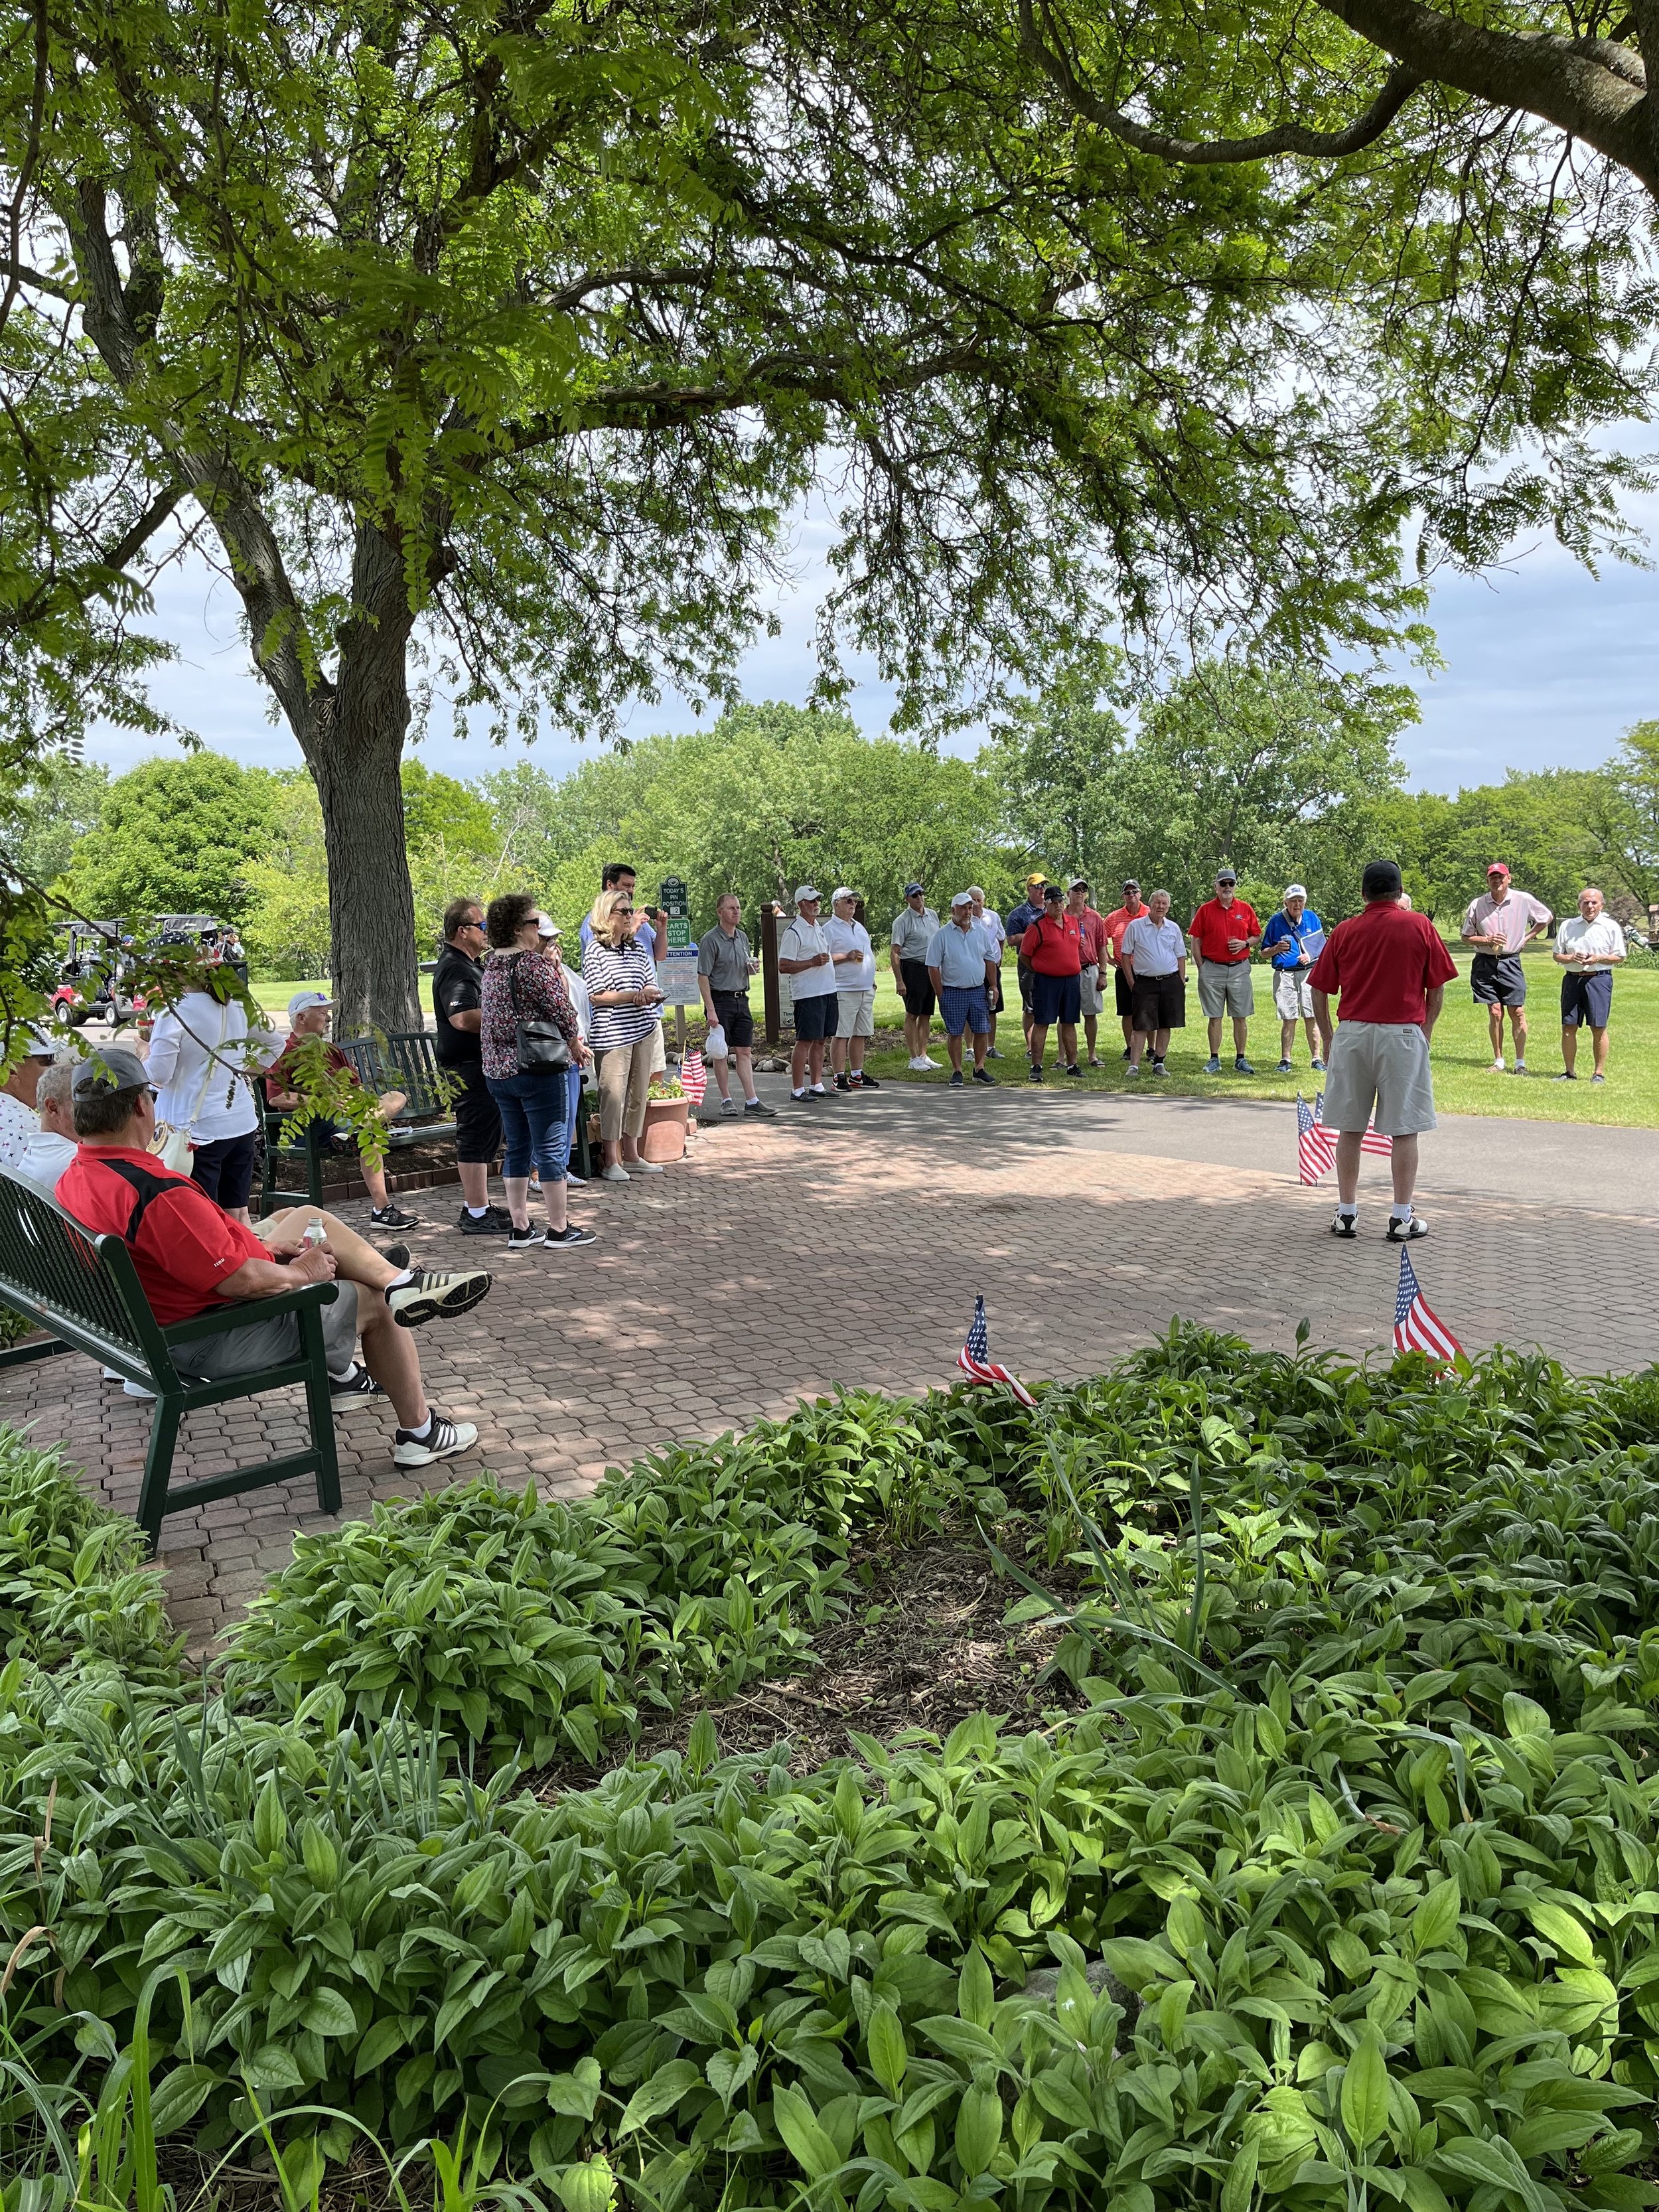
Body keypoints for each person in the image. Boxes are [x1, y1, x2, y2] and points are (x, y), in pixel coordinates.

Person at [57, 1047, 488, 1467]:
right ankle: (421, 1430)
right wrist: (302, 1271)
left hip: (160, 1323)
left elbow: (195, 1253)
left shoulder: (77, 1177)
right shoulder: (152, 1190)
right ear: (139, 1104)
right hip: (206, 1336)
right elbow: (242, 1281)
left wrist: (265, 1252)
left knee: (300, 1217)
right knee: (372, 1302)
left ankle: (393, 1279)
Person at [1309, 859, 1458, 1242]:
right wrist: (1425, 1029)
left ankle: (1346, 1213)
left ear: (1364, 894)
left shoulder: (1344, 931)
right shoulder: (1419, 925)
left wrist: (1327, 1036)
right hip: (1402, 1033)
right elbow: (1437, 984)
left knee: (1350, 1127)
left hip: (1354, 1032)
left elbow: (1319, 986)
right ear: (1397, 891)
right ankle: (1401, 1216)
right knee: (1405, 1129)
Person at [477, 894, 596, 1252]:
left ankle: (521, 1228)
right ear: (518, 928)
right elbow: (563, 1010)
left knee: (516, 1148)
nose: (539, 929)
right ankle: (559, 1229)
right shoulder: (532, 965)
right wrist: (575, 1044)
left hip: (497, 1072)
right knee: (550, 1147)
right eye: (534, 923)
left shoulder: (490, 965)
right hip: (537, 1067)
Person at [266, 994, 421, 1233]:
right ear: (301, 1017)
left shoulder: (331, 1050)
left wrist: (357, 1101)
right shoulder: (284, 1052)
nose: (328, 1017)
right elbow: (276, 1097)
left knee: (396, 1096)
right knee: (370, 1137)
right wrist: (324, 1100)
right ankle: (382, 1210)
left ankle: (361, 1128)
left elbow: (355, 1089)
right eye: (322, 1012)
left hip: (347, 1119)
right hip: (310, 1126)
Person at [143, 970, 281, 1226]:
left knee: (204, 1218)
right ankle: (252, 1261)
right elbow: (275, 1043)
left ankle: (224, 1265)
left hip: (196, 1130)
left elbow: (159, 1075)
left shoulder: (174, 1011)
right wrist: (245, 1076)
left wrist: (143, 1055)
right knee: (238, 1212)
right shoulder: (237, 1005)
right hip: (240, 1123)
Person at [433, 897, 510, 1237]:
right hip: (467, 1066)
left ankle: (477, 1205)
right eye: (482, 926)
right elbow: (462, 1017)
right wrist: (507, 1018)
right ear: (462, 931)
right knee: (475, 1135)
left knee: (487, 1134)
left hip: (481, 1064)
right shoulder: (455, 967)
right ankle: (475, 1213)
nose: (487, 932)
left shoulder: (471, 965)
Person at [583, 884, 664, 1180]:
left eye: (631, 910)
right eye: (624, 911)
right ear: (608, 915)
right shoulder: (595, 951)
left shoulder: (637, 947)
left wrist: (647, 994)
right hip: (612, 1035)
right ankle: (611, 1160)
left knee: (638, 1094)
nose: (631, 915)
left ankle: (632, 1154)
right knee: (613, 1097)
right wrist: (633, 995)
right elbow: (597, 995)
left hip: (642, 1027)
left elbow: (648, 982)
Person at [1461, 862, 1551, 1074]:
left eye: (1501, 876)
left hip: (1511, 961)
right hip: (1485, 962)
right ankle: (1499, 1060)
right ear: (1488, 880)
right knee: (1495, 1012)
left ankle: (1520, 1062)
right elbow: (1465, 937)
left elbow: (1546, 917)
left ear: (1509, 878)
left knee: (1517, 1012)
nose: (1497, 880)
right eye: (1493, 877)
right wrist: (1487, 939)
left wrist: (1527, 937)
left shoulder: (1523, 899)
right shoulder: (1478, 904)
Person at [695, 895, 774, 1119]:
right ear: (720, 912)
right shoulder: (711, 940)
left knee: (744, 1050)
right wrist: (710, 1009)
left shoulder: (742, 938)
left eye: (738, 908)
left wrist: (752, 968)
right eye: (731, 908)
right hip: (720, 1000)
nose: (736, 911)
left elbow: (742, 967)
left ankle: (752, 1100)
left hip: (742, 999)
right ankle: (726, 1100)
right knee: (721, 1052)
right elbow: (703, 977)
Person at [1188, 869, 1261, 1074]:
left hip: (1239, 969)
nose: (1227, 887)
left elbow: (1256, 936)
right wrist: (1201, 966)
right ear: (1216, 887)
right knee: (1215, 1016)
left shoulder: (1245, 909)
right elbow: (1195, 940)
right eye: (1223, 884)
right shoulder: (1205, 910)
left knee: (1240, 1016)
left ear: (1235, 886)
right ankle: (1214, 1059)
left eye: (1231, 883)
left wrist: (1245, 943)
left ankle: (1240, 1059)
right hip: (1212, 968)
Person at [538, 917, 592, 1182]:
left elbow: (571, 1005)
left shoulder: (561, 971)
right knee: (549, 1115)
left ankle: (562, 1167)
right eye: (546, 940)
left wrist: (558, 970)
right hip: (546, 1053)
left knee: (568, 1111)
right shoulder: (533, 972)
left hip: (569, 1051)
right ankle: (538, 1170)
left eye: (554, 940)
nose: (552, 946)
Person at [1553, 886, 1625, 1084]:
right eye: (1586, 902)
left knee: (1598, 1027)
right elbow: (1556, 955)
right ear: (1579, 905)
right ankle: (1569, 1072)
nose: (1590, 906)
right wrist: (1570, 957)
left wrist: (1599, 958)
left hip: (1599, 979)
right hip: (1573, 979)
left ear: (1601, 905)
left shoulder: (1610, 927)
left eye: (1594, 902)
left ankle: (1598, 1073)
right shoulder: (1568, 926)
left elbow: (1619, 956)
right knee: (1568, 1026)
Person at [926, 892, 999, 1086]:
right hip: (953, 990)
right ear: (953, 910)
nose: (967, 912)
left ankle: (979, 1068)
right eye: (963, 908)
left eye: (970, 908)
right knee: (955, 1033)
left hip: (977, 990)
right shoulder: (942, 935)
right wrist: (940, 993)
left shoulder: (980, 932)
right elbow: (932, 966)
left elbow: (990, 960)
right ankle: (957, 1070)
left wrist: (993, 985)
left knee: (982, 1030)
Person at [779, 886, 839, 1102]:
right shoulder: (794, 932)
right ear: (801, 904)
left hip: (827, 990)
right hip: (808, 994)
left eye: (818, 900)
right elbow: (783, 965)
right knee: (804, 1040)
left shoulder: (818, 927)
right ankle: (797, 1089)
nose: (816, 904)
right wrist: (812, 962)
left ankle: (817, 1085)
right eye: (812, 901)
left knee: (821, 1039)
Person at [1260, 885, 1327, 1074]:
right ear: (1286, 903)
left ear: (1305, 902)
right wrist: (1276, 949)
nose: (1297, 904)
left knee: (1311, 1016)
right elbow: (1264, 953)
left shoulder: (1312, 918)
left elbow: (1322, 948)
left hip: (1308, 973)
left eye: (1300, 901)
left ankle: (1316, 1059)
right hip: (1285, 975)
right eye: (1293, 901)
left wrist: (1310, 956)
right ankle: (1285, 1060)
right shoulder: (1276, 921)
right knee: (1288, 1017)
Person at [1119, 891, 1187, 1075]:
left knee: (1165, 1024)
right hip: (1145, 983)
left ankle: (1159, 1063)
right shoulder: (1136, 926)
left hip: (1170, 982)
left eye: (1165, 904)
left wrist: (1180, 982)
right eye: (1157, 903)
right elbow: (1125, 955)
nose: (1161, 907)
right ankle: (1134, 1066)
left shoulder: (1173, 928)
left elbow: (1181, 957)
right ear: (1150, 905)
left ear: (1169, 907)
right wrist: (1132, 982)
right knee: (1141, 1025)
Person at [1021, 881, 1083, 1080]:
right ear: (1046, 904)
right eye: (1054, 902)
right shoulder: (1037, 926)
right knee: (1043, 1023)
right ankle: (1036, 1067)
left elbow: (1074, 946)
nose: (1058, 906)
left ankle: (1073, 1065)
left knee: (1069, 1022)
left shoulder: (1073, 922)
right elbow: (1025, 955)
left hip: (1071, 980)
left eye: (1060, 902)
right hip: (1047, 982)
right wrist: (1040, 969)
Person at [826, 889, 881, 1090]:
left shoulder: (859, 927)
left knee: (860, 1033)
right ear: (836, 903)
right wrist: (846, 956)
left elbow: (866, 954)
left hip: (865, 989)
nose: (853, 904)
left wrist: (871, 979)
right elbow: (823, 959)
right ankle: (839, 1076)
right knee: (841, 1034)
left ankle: (857, 1075)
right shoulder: (829, 929)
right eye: (848, 900)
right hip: (843, 989)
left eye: (855, 901)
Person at [8, 1059, 79, 1197]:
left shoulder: (35, 1153)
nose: (91, 1110)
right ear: (53, 1108)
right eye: (81, 1102)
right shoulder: (74, 1160)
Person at [890, 883, 942, 1070]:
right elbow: (895, 952)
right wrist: (899, 980)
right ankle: (913, 1059)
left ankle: (923, 1054)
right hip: (912, 967)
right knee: (912, 1013)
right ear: (907, 899)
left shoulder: (932, 915)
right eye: (915, 895)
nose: (919, 898)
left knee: (926, 1014)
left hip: (930, 967)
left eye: (921, 894)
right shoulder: (902, 921)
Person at [1101, 879, 1148, 1061]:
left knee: (1148, 1010)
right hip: (1123, 969)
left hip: (1146, 970)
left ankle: (1151, 1049)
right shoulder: (1113, 917)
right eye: (1127, 893)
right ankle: (1130, 1047)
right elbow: (1101, 939)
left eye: (1134, 891)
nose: (1131, 895)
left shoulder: (1150, 913)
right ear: (1123, 896)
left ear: (1140, 894)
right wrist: (1109, 958)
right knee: (1127, 1011)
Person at [1066, 879, 1109, 1067]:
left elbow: (1102, 946)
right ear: (1068, 893)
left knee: (1091, 1014)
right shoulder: (1062, 914)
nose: (1080, 893)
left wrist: (1103, 973)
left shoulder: (1094, 917)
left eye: (1083, 890)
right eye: (1076, 889)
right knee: (1066, 1016)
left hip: (1089, 968)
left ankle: (1092, 1055)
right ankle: (1063, 1057)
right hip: (1066, 970)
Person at [1005, 874, 1047, 1053]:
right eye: (1037, 887)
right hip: (1028, 963)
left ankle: (1043, 1045)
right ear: (1029, 889)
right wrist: (1035, 934)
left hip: (1050, 963)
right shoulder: (1018, 913)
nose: (1042, 890)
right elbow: (1011, 939)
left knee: (1048, 1005)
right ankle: (1031, 1047)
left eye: (1044, 886)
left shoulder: (1052, 908)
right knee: (1030, 1007)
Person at [579, 864, 660, 956]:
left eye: (633, 886)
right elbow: (603, 956)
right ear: (610, 885)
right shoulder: (595, 920)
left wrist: (661, 929)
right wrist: (632, 929)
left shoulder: (637, 918)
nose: (631, 891)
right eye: (627, 885)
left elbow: (660, 955)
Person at [968, 889, 1007, 1057]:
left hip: (991, 968)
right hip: (973, 968)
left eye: (979, 900)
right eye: (973, 900)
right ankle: (969, 1049)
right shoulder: (966, 919)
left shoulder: (993, 917)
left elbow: (1001, 937)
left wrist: (1000, 957)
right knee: (970, 1008)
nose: (977, 903)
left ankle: (991, 1048)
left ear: (984, 901)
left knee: (993, 1007)